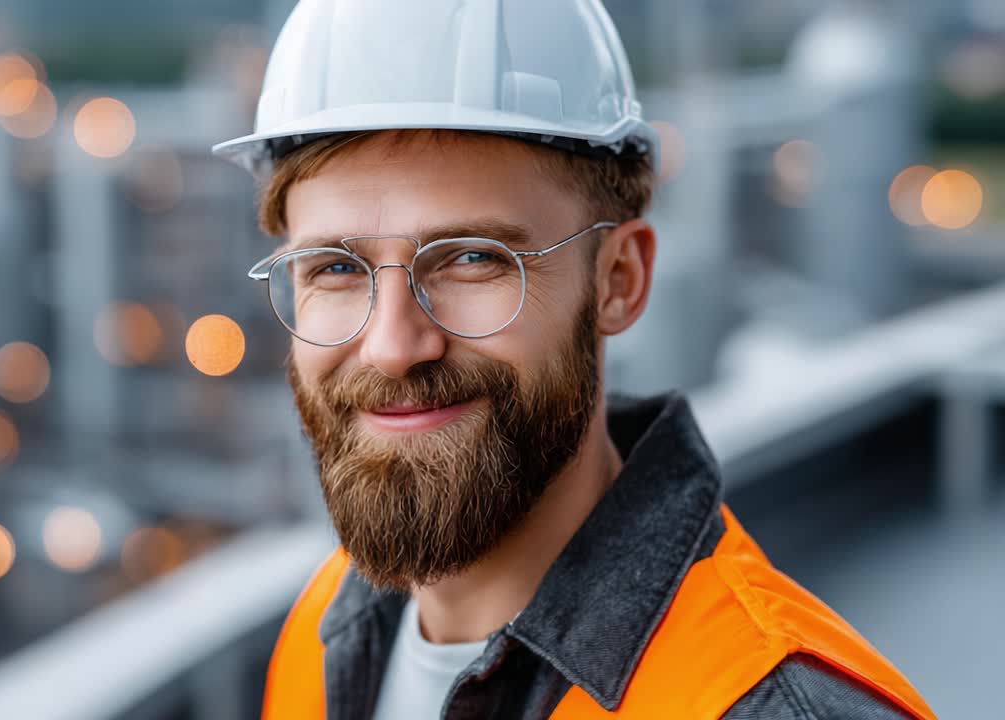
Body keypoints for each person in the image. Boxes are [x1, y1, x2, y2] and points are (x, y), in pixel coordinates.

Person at [213, 1, 937, 718]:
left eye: (472, 258)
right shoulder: (324, 632)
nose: (394, 346)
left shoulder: (771, 707)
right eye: (335, 268)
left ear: (619, 280)